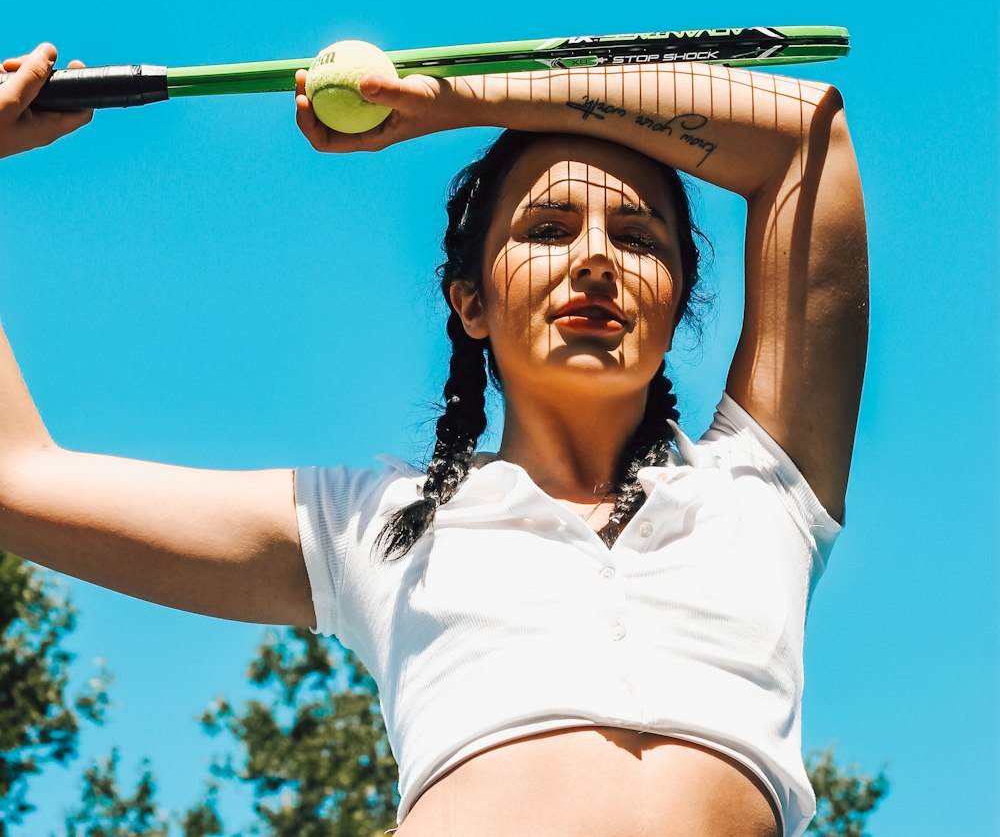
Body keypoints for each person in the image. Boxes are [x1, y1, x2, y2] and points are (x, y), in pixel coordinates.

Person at [0, 41, 868, 837]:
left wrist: (454, 102)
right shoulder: (371, 522)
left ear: (678, 307)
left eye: (639, 239)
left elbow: (806, 139)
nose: (596, 258)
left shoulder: (765, 490)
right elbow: (15, 477)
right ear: (472, 304)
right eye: (547, 229)